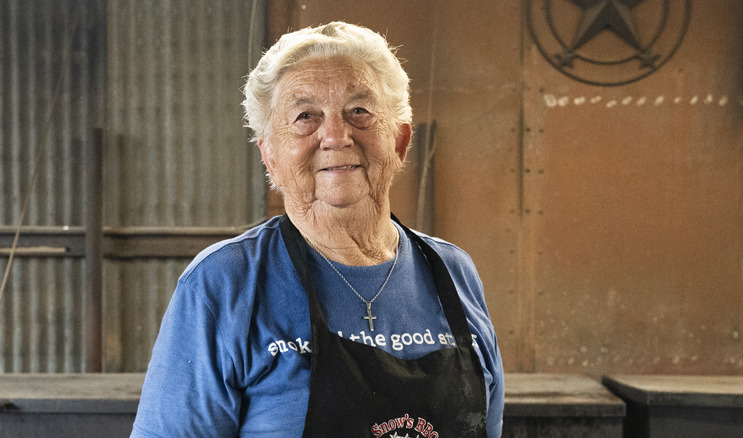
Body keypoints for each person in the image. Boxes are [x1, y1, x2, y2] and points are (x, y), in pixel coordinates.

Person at [131, 21, 504, 437]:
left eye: (359, 111)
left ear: (400, 143)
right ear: (270, 156)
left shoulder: (453, 272)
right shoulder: (224, 284)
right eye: (305, 116)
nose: (336, 135)